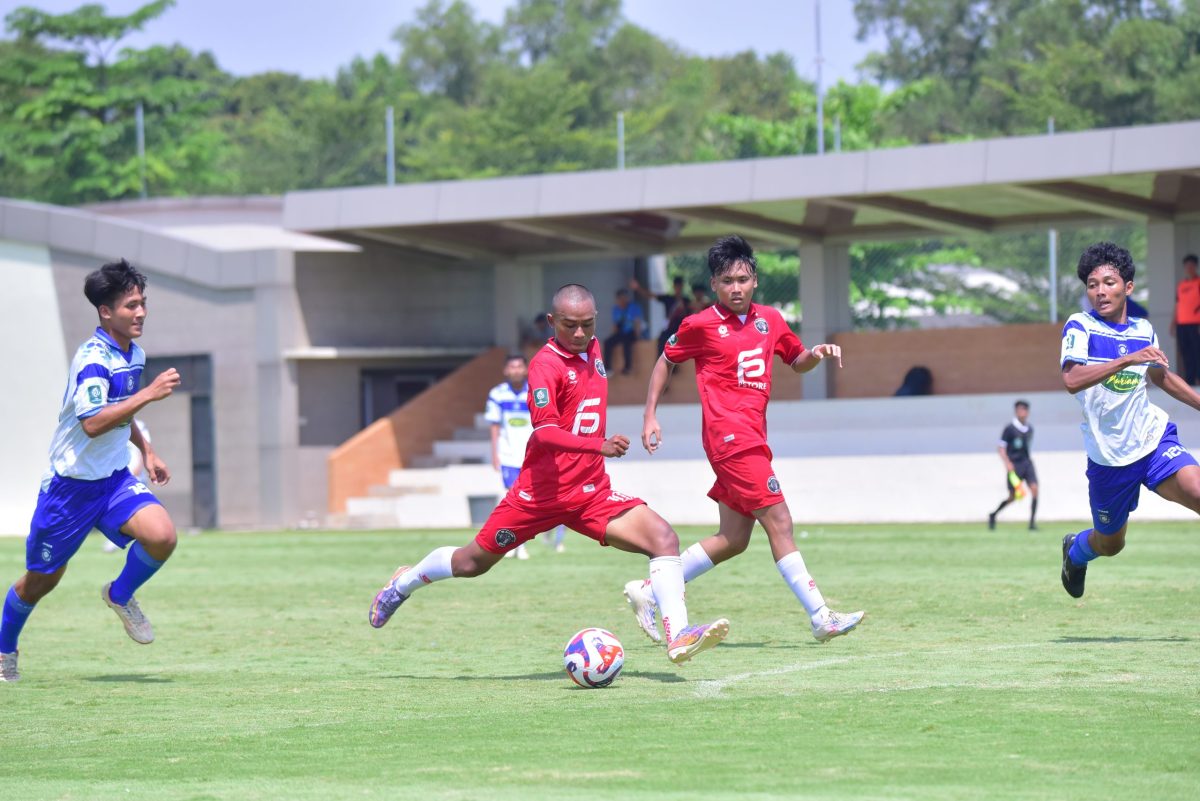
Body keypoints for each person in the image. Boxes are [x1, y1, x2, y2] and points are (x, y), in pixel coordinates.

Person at [370, 284, 730, 666]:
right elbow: (544, 432)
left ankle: (679, 635)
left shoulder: (595, 348)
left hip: (590, 493)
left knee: (664, 538)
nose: (579, 333)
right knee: (470, 563)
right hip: (539, 496)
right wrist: (599, 445)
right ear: (551, 321)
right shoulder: (545, 366)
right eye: (569, 325)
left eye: (587, 324)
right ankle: (403, 583)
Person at [623, 235, 864, 645]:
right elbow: (665, 360)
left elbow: (796, 360)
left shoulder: (770, 319)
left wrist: (816, 353)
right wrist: (649, 416)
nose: (736, 288)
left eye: (742, 279)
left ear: (754, 280)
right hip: (730, 439)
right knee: (780, 522)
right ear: (714, 285)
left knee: (733, 539)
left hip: (751, 436)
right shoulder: (699, 324)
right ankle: (821, 616)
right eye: (727, 281)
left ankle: (650, 590)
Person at [0, 259, 181, 683]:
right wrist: (150, 394)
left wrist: (147, 450)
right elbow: (94, 423)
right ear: (105, 311)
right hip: (69, 490)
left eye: (143, 303)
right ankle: (4, 648)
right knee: (41, 581)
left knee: (162, 536)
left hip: (113, 480)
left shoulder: (133, 354)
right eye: (131, 305)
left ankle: (120, 594)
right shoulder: (92, 360)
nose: (141, 312)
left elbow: (121, 412)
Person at [1059, 242, 1200, 599]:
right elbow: (1072, 379)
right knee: (1110, 545)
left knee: (1198, 491)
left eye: (1109, 282)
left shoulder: (1143, 329)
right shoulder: (1081, 326)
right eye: (1092, 284)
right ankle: (1075, 551)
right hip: (1109, 458)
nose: (1100, 291)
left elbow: (1160, 377)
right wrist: (1126, 359)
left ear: (1128, 287)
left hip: (1152, 440)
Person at [485, 353, 565, 559]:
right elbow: (494, 426)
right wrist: (494, 454)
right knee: (514, 499)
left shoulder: (535, 392)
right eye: (512, 367)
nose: (516, 370)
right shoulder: (497, 394)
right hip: (509, 455)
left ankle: (519, 543)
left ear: (525, 369)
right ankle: (514, 544)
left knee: (528, 499)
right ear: (506, 370)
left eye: (519, 366)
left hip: (533, 456)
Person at [987, 400, 1039, 531]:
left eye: (1024, 410)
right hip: (1015, 465)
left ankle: (1032, 524)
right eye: (1019, 410)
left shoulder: (1030, 429)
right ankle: (993, 514)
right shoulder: (1009, 428)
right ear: (1016, 412)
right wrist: (1007, 463)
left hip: (1027, 463)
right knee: (1013, 496)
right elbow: (1001, 448)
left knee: (1034, 489)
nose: (1022, 412)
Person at [631, 276, 688, 354]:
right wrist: (638, 288)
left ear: (682, 287)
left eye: (680, 286)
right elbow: (651, 295)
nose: (678, 288)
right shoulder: (668, 298)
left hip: (682, 329)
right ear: (674, 287)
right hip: (669, 329)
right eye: (677, 286)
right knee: (662, 340)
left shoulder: (686, 301)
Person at [1170, 254, 1200, 385]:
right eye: (1187, 266)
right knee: (1186, 353)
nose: (1189, 268)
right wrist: (1173, 323)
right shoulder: (1181, 285)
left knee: (1197, 352)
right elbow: (1178, 305)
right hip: (1182, 325)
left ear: (1196, 266)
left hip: (1196, 324)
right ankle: (1190, 381)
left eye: (1191, 266)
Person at [603, 287, 643, 375]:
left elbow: (637, 322)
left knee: (626, 343)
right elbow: (615, 325)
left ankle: (627, 368)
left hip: (631, 333)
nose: (623, 300)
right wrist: (614, 337)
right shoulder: (616, 309)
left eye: (624, 298)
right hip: (620, 333)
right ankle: (608, 368)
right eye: (620, 298)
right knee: (607, 342)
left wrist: (638, 336)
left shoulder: (634, 307)